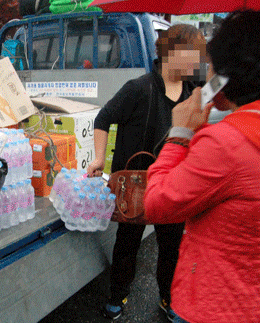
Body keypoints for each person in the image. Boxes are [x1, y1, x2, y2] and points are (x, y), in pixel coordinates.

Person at [144, 11, 260, 323]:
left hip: (216, 304)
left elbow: (158, 202)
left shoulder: (227, 143)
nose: (203, 70)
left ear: (228, 72)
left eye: (208, 62)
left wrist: (180, 134)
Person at [86, 24, 206, 321]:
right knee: (127, 244)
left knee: (172, 248)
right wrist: (99, 158)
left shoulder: (194, 96)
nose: (197, 61)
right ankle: (117, 296)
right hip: (135, 187)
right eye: (193, 53)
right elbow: (104, 117)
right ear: (171, 52)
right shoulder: (138, 88)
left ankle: (168, 298)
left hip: (174, 185)